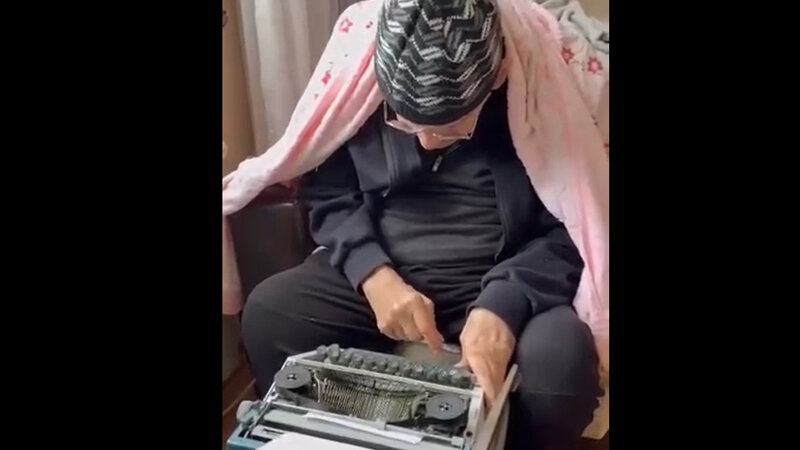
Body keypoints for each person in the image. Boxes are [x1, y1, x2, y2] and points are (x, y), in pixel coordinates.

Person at [241, 0, 602, 448]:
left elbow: (572, 229)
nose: (428, 143)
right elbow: (329, 194)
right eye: (406, 123)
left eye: (452, 128)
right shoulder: (361, 90)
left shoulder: (538, 97)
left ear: (495, 80)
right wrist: (372, 274)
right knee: (270, 315)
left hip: (508, 272)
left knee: (561, 370)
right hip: (388, 265)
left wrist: (502, 306)